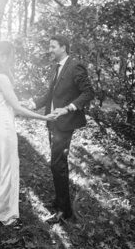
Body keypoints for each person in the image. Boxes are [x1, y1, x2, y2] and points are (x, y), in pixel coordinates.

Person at [0, 41, 55, 227]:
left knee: (8, 167)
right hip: (6, 128)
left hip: (0, 128)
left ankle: (5, 207)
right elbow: (16, 108)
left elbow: (6, 102)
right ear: (3, 56)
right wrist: (44, 118)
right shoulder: (2, 78)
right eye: (9, 56)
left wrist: (24, 103)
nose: (11, 59)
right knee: (9, 169)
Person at [23, 35, 94, 223]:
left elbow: (88, 92)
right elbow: (51, 94)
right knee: (57, 164)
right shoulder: (56, 67)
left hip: (65, 123)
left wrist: (69, 108)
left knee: (58, 165)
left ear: (63, 47)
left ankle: (65, 211)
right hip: (53, 122)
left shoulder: (75, 65)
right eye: (49, 46)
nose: (50, 49)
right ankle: (59, 201)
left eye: (53, 46)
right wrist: (31, 103)